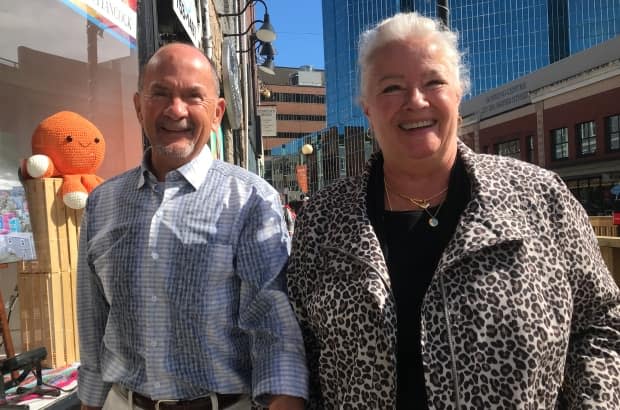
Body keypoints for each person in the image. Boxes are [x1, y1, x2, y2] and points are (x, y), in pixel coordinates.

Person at [286, 12, 620, 409]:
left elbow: (601, 324)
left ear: (459, 94)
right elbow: (296, 348)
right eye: (392, 87)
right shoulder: (324, 220)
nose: (415, 101)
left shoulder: (541, 198)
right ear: (367, 108)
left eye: (434, 82)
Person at [77, 42, 308, 410]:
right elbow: (92, 321)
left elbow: (273, 328)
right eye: (161, 93)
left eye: (193, 96)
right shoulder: (102, 203)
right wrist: (89, 402)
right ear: (139, 106)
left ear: (217, 113)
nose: (176, 110)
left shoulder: (250, 200)